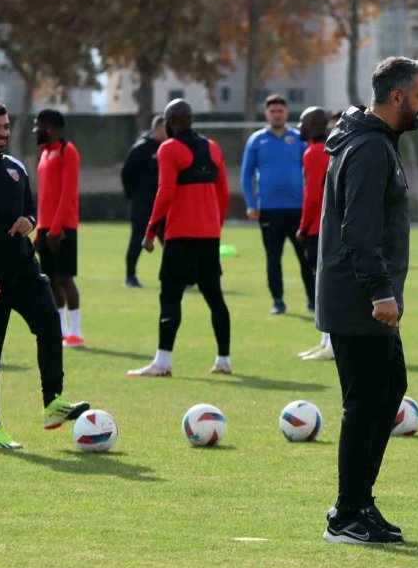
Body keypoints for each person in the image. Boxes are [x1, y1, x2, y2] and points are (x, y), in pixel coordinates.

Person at [317, 57, 418, 544]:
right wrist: (381, 291)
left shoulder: (374, 142)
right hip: (359, 297)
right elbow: (359, 229)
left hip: (365, 296)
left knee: (388, 389)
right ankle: (346, 515)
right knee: (365, 402)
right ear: (397, 97)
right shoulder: (368, 148)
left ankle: (360, 502)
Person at [0, 102, 89, 449]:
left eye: (6, 127)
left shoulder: (16, 169)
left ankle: (53, 402)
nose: (3, 133)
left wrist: (29, 222)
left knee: (50, 323)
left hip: (24, 271)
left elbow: (31, 211)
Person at [126, 99, 232, 378]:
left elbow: (165, 192)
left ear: (169, 122)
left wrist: (150, 232)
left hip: (181, 236)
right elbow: (223, 192)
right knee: (215, 297)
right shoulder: (213, 147)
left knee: (170, 298)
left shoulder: (169, 148)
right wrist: (216, 224)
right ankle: (224, 360)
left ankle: (162, 363)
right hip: (209, 236)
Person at [241, 94, 313, 315]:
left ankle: (313, 300)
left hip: (298, 209)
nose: (277, 114)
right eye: (272, 111)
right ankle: (278, 301)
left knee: (306, 257)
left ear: (286, 113)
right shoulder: (256, 140)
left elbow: (310, 169)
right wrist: (251, 203)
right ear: (267, 114)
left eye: (280, 111)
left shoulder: (299, 138)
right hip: (269, 209)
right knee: (273, 257)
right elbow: (246, 174)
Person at [34, 109, 83, 348]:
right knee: (51, 281)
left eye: (38, 125)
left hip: (63, 228)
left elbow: (67, 193)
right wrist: (40, 230)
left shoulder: (67, 151)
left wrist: (55, 229)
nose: (35, 130)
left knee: (65, 279)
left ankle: (76, 332)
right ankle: (61, 330)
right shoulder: (44, 153)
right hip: (45, 228)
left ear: (50, 127)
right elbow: (44, 197)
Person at [295, 106, 333, 362]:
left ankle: (331, 343)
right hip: (329, 225)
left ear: (313, 125)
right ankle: (325, 341)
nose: (299, 126)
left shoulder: (314, 152)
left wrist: (303, 225)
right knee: (325, 284)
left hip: (319, 226)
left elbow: (313, 196)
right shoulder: (327, 148)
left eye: (303, 121)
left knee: (325, 285)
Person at [121, 115, 167, 288]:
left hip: (162, 205)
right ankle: (130, 275)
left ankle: (182, 275)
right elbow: (126, 173)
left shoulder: (168, 147)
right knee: (137, 240)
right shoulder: (141, 148)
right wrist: (134, 195)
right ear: (156, 129)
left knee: (170, 241)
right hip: (142, 206)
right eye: (164, 130)